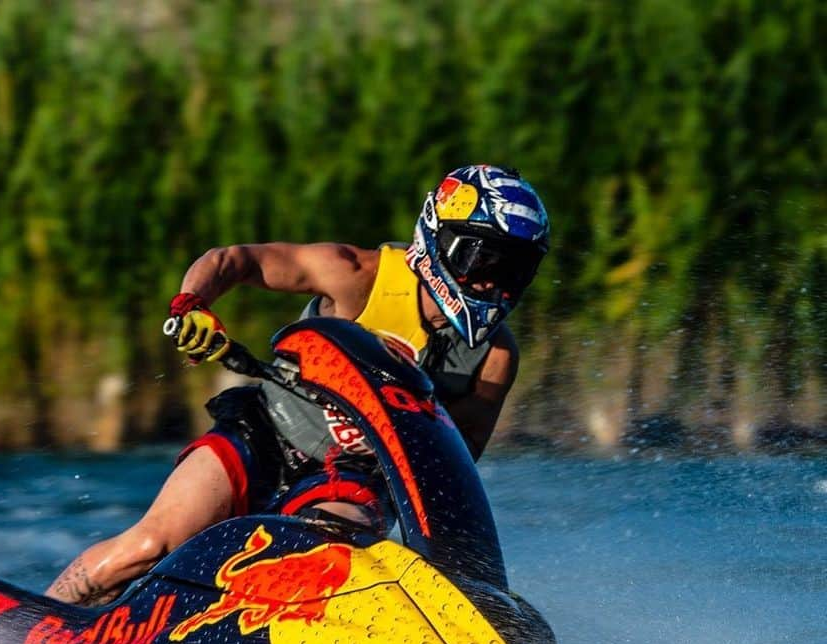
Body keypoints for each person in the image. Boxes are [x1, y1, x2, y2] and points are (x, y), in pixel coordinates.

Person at [46, 165, 549, 606]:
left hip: (351, 478)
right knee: (149, 547)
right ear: (439, 239)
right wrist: (191, 306)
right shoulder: (357, 275)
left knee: (322, 550)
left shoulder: (496, 359)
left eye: (513, 268)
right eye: (482, 260)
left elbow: (448, 473)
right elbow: (235, 259)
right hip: (264, 433)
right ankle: (36, 623)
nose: (491, 282)